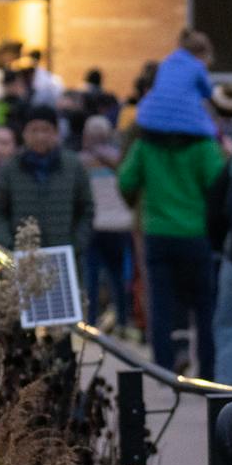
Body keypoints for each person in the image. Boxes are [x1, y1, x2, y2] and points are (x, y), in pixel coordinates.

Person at [118, 103, 229, 376]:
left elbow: (126, 181)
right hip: (196, 234)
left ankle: (164, 367)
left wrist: (139, 204)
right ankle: (208, 369)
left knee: (161, 301)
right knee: (204, 305)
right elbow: (219, 183)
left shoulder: (145, 146)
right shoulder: (203, 146)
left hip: (158, 233)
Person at [0, 105, 94, 264]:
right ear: (24, 134)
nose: (40, 136)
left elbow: (86, 209)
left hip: (65, 258)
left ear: (56, 133)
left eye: (46, 130)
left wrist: (76, 245)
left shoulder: (73, 166)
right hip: (22, 260)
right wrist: (9, 246)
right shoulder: (9, 169)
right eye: (34, 130)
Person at [80, 115, 135, 329]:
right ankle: (122, 320)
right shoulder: (121, 158)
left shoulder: (82, 162)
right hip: (120, 226)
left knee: (91, 277)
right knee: (118, 277)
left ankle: (91, 320)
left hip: (94, 226)